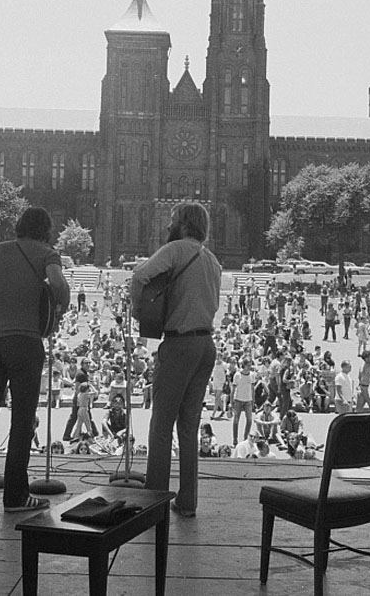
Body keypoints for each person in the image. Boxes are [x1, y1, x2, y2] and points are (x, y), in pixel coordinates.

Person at [0, 207, 70, 513]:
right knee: (22, 421)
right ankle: (16, 496)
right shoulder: (47, 254)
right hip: (24, 343)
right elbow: (58, 284)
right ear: (46, 229)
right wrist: (59, 301)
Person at [130, 202, 221, 518]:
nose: (168, 225)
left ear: (183, 224)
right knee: (189, 427)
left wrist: (138, 311)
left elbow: (140, 276)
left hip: (179, 344)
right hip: (205, 345)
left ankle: (154, 499)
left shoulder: (176, 249)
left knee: (161, 425)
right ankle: (187, 500)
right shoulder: (212, 260)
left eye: (172, 220)